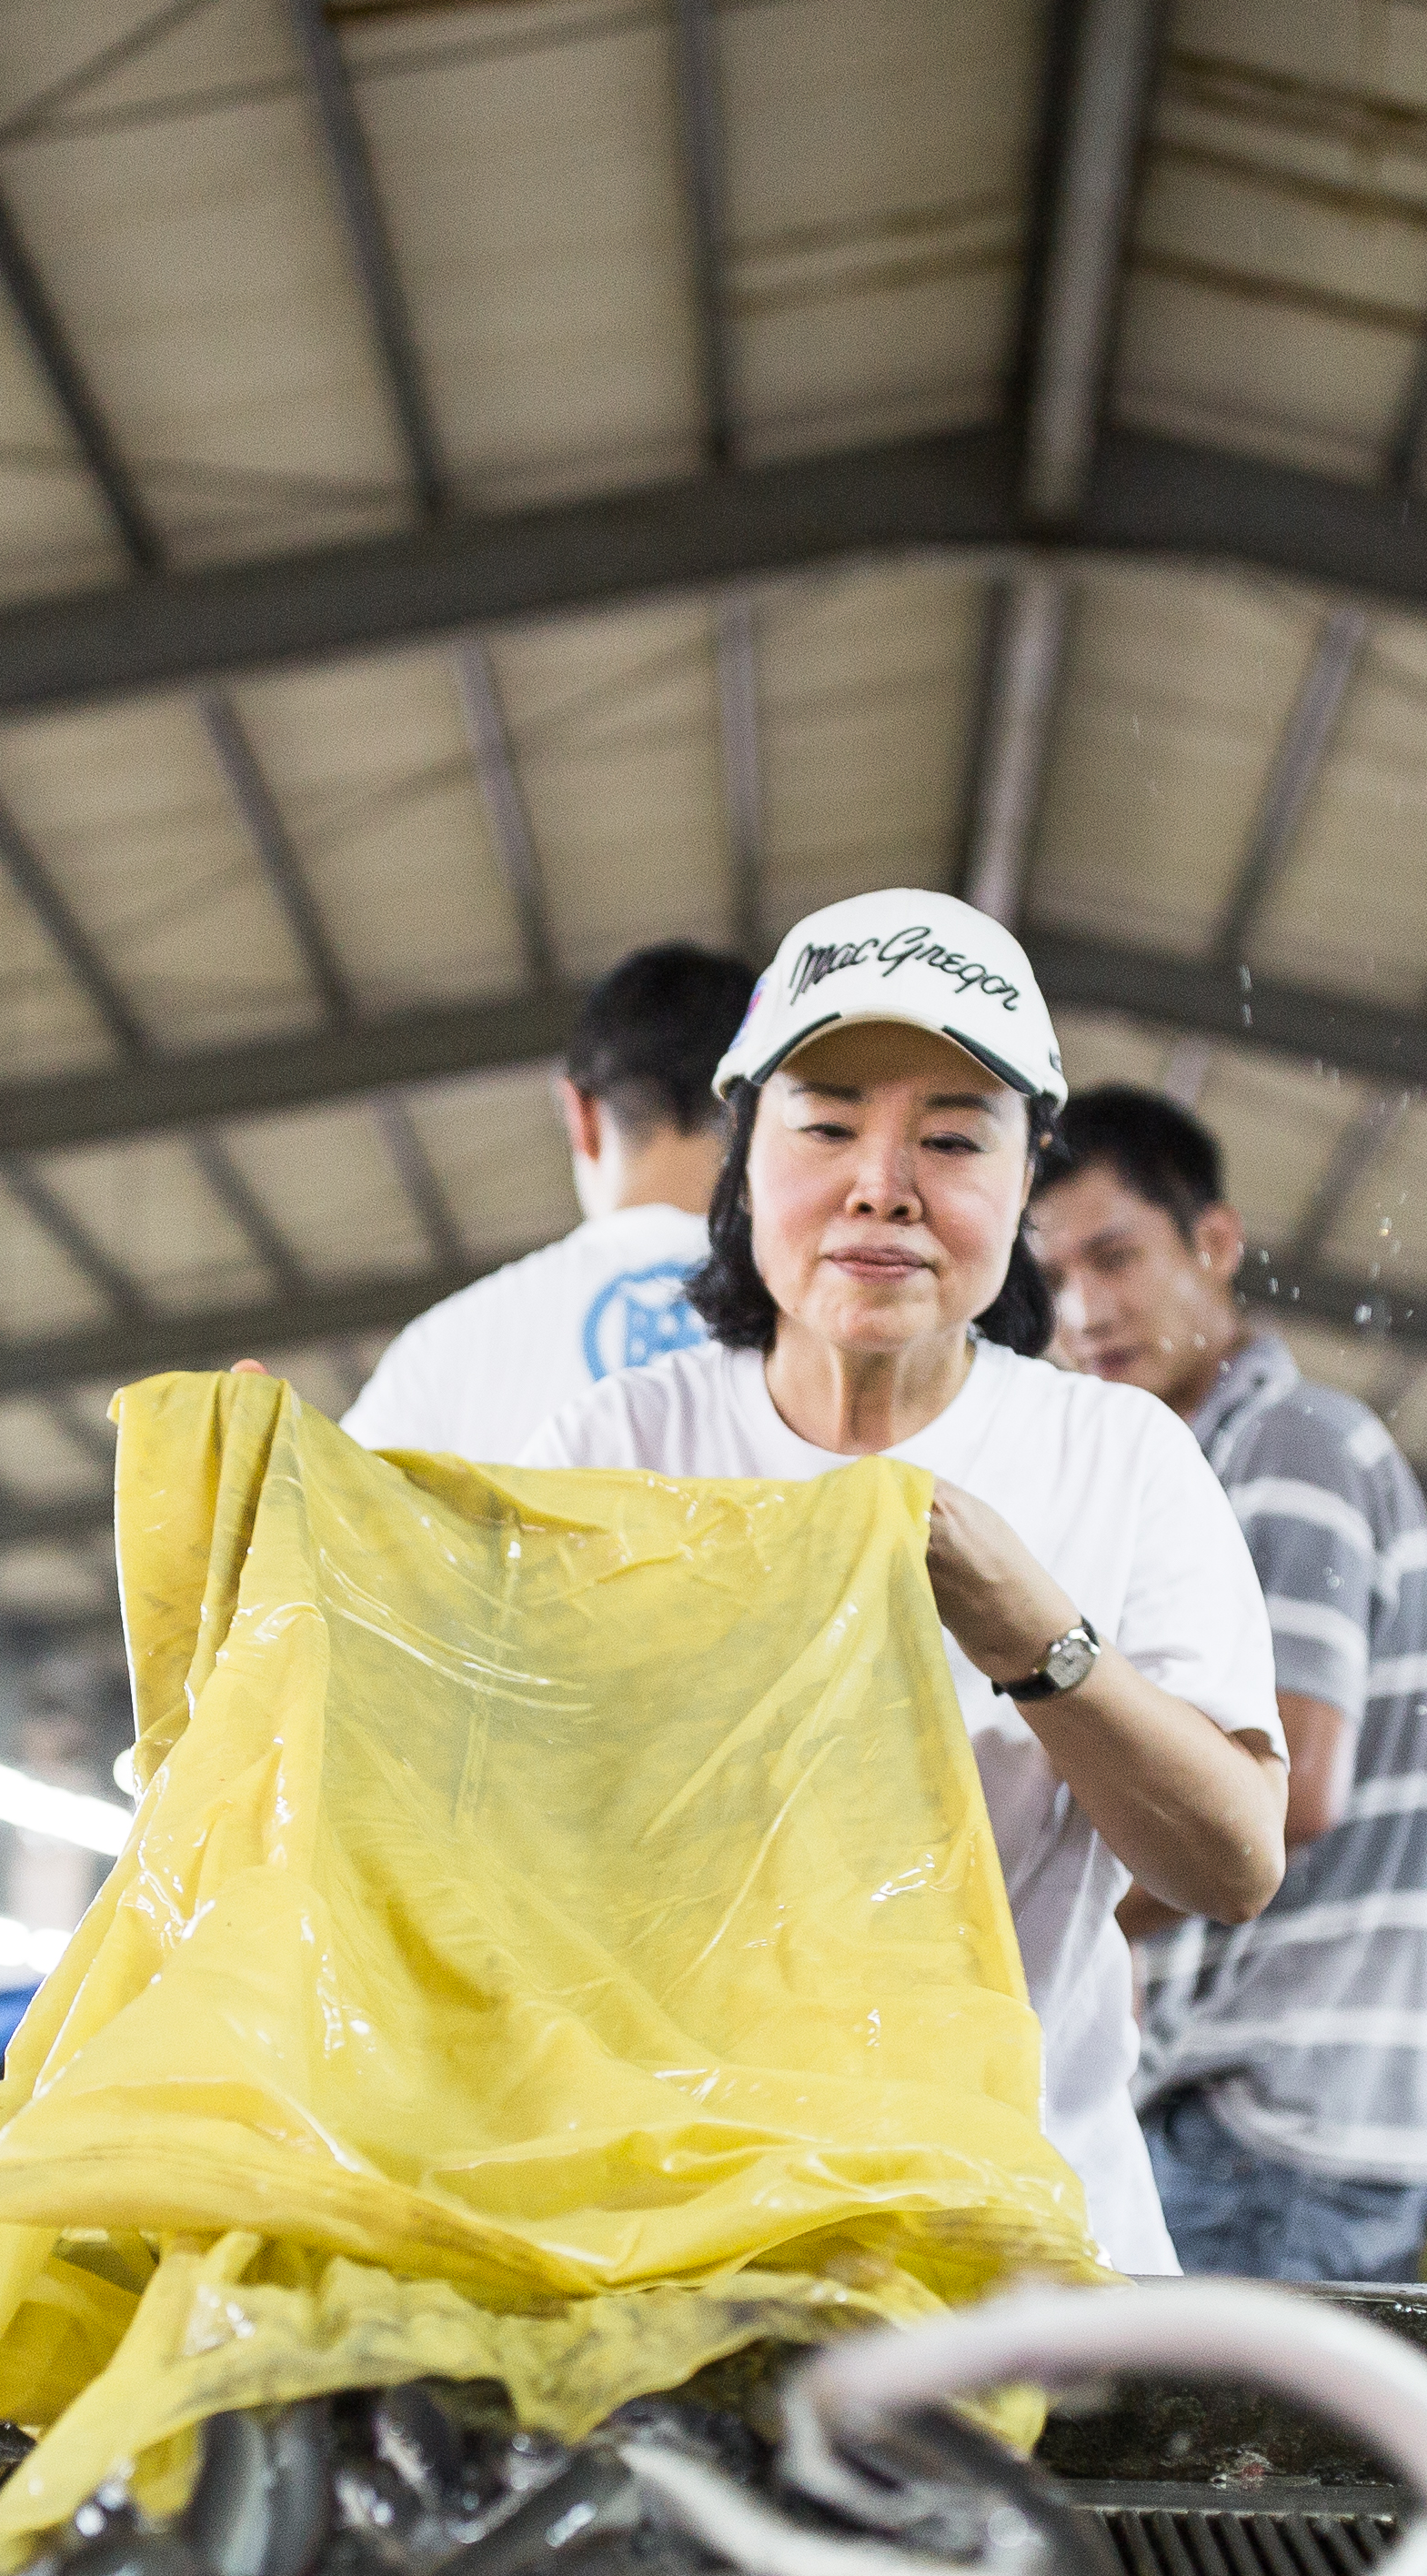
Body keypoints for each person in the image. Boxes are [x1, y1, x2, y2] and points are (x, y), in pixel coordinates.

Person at [538, 892, 1284, 2275]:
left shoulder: (1114, 1457)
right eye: (826, 1127)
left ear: (1024, 1183)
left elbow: (1232, 1859)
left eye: (951, 1138)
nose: (883, 1184)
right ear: (747, 1159)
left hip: (1032, 2257)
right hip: (690, 2254)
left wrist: (1037, 1637)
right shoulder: (620, 1446)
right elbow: (492, 1826)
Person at [1031, 1083, 1427, 2284]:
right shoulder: (1196, 1470)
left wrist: (1035, 1921)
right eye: (1056, 1274)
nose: (1085, 1310)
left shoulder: (1293, 1449)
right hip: (1270, 2113)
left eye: (1117, 1258)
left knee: (1217, 2468)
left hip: (1274, 2118)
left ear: (1214, 1244)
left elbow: (1283, 1789)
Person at [344, 941, 756, 1461]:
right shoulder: (836, 1326)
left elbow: (328, 1523)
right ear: (765, 1111)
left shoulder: (448, 1349)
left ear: (579, 1114)